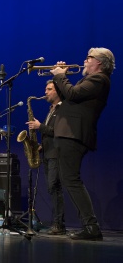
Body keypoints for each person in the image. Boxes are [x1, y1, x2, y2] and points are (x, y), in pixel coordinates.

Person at [50, 47, 115, 240]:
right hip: (68, 134)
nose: (85, 61)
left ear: (100, 63)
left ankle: (91, 227)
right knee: (69, 180)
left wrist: (61, 76)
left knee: (71, 180)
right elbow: (68, 95)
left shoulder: (99, 79)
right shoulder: (89, 80)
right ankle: (90, 226)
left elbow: (73, 94)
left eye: (89, 58)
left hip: (74, 134)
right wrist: (58, 77)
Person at [26, 80, 65, 235]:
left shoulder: (63, 109)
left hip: (56, 154)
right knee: (51, 188)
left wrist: (39, 126)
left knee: (55, 188)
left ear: (57, 91)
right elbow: (50, 133)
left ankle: (59, 225)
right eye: (45, 89)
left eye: (49, 89)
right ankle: (57, 224)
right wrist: (40, 146)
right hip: (48, 154)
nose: (45, 92)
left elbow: (59, 132)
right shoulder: (51, 109)